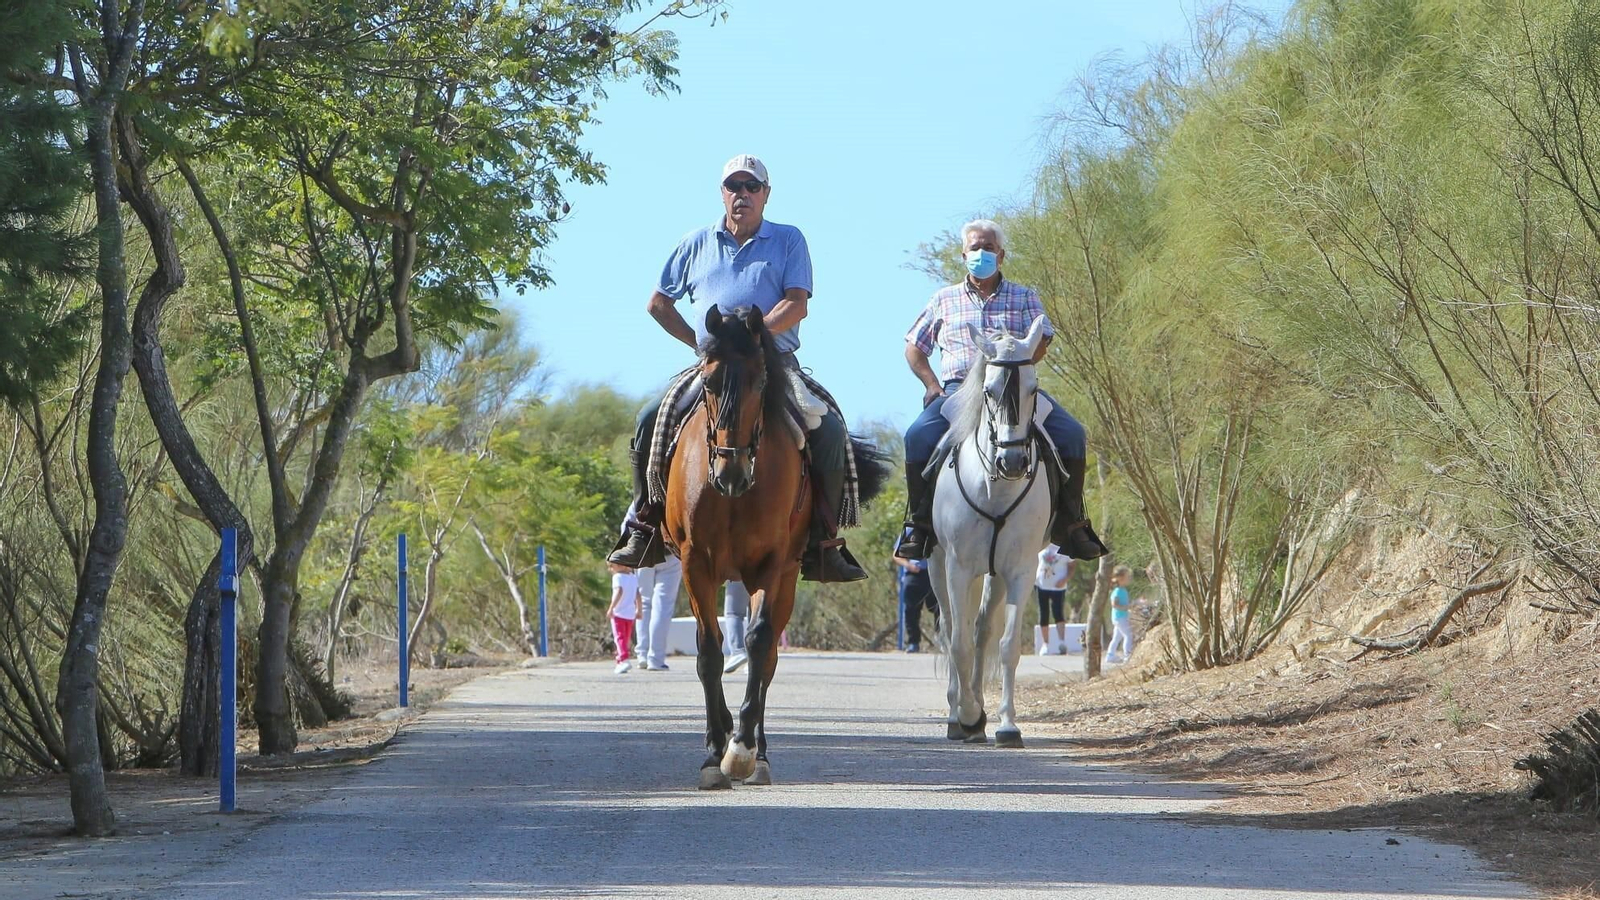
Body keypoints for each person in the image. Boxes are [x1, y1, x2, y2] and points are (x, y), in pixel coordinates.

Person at [608, 154, 866, 583]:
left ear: (766, 194)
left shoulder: (788, 240)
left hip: (772, 363)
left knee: (831, 430)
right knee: (648, 418)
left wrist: (754, 337)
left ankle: (823, 538)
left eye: (752, 187)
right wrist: (702, 345)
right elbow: (658, 303)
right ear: (722, 193)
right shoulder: (695, 242)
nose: (742, 195)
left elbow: (797, 302)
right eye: (734, 187)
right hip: (713, 366)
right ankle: (645, 524)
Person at [893, 219, 1108, 563]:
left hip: (1015, 389)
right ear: (964, 255)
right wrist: (932, 385)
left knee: (1071, 434)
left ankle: (1072, 524)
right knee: (917, 436)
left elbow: (1044, 338)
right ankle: (918, 525)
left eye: (989, 248)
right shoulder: (943, 299)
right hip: (958, 392)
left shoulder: (1024, 296)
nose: (982, 254)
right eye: (975, 248)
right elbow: (914, 347)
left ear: (1002, 255)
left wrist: (1020, 365)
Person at [636, 556, 681, 671]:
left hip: (644, 550)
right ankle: (656, 659)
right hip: (670, 553)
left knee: (644, 602)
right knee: (663, 606)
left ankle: (642, 654)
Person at [894, 555, 938, 652]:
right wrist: (908, 565)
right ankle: (913, 642)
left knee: (939, 607)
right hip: (914, 574)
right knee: (911, 609)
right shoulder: (906, 538)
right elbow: (896, 555)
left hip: (934, 573)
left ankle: (940, 639)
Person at [1035, 544, 1073, 655]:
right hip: (1041, 585)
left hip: (1058, 586)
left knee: (1058, 613)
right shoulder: (1041, 545)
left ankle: (1062, 642)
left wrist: (1065, 579)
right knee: (1043, 613)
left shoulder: (1064, 546)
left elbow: (1072, 565)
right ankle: (1045, 644)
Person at [607, 562, 641, 674]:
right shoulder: (633, 577)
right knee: (625, 638)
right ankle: (619, 661)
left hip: (619, 613)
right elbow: (637, 594)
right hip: (630, 613)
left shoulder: (617, 577)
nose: (610, 569)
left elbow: (619, 592)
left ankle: (624, 659)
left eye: (612, 566)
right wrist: (639, 609)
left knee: (619, 637)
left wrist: (611, 608)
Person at [1105, 564, 1135, 664]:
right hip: (1120, 617)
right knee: (1128, 635)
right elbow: (1115, 605)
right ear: (1121, 578)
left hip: (1120, 617)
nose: (1129, 579)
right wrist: (1127, 607)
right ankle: (1127, 656)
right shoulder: (1117, 591)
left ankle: (1110, 655)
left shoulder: (1123, 590)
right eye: (1127, 577)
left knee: (1117, 637)